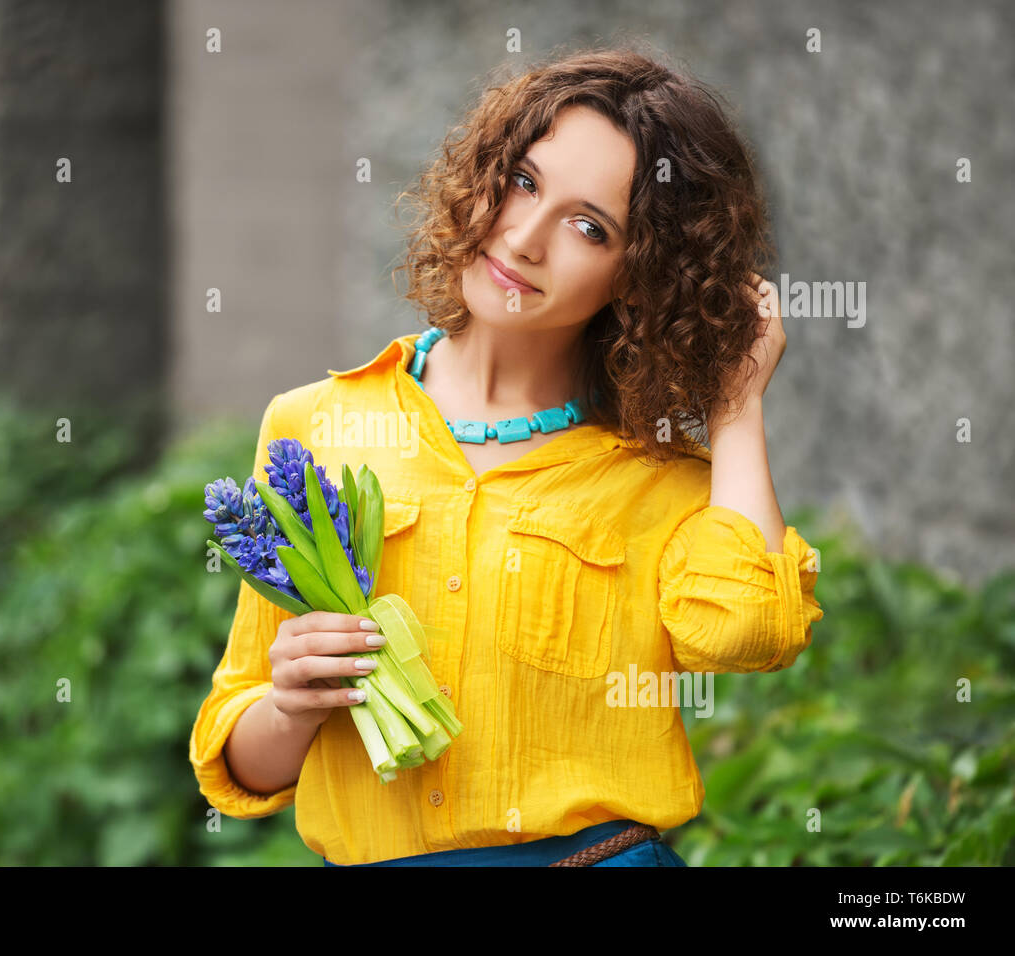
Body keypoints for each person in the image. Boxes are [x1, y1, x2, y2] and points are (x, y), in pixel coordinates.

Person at [190, 46, 824, 866]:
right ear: (483, 175)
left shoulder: (658, 481)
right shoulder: (315, 424)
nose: (524, 239)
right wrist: (293, 704)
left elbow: (746, 635)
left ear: (638, 275)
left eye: (589, 227)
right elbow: (238, 761)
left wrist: (737, 405)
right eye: (524, 182)